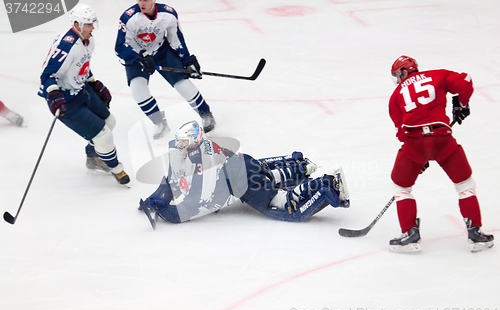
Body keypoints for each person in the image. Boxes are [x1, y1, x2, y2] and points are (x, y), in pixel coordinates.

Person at [139, 121, 350, 229]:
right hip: (245, 164)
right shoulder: (204, 146)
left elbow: (192, 205)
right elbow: (172, 178)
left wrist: (166, 212)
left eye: (183, 141)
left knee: (284, 205)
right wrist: (153, 200)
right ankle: (299, 168)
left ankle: (327, 184)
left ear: (193, 141)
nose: (179, 144)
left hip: (244, 183)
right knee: (266, 175)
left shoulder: (197, 160)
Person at [388, 55, 494, 253]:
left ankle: (410, 235)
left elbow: (401, 132)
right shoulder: (437, 75)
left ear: (405, 70)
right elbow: (466, 81)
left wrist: (418, 158)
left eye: (397, 74)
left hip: (415, 142)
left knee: (401, 187)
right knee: (465, 185)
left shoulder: (396, 95)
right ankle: (476, 235)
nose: (397, 79)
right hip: (442, 138)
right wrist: (460, 103)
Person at [38, 4, 130, 185]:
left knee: (110, 122)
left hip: (81, 90)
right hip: (64, 100)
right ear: (77, 24)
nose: (92, 28)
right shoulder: (66, 46)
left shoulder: (88, 40)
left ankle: (94, 157)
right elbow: (46, 75)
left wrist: (93, 82)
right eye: (89, 24)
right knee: (103, 135)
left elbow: (82, 65)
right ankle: (115, 168)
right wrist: (54, 95)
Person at [115, 0, 216, 139]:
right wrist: (140, 57)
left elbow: (176, 38)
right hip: (137, 56)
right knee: (137, 90)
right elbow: (120, 47)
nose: (141, 3)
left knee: (183, 84)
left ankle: (206, 114)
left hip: (161, 51)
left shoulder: (168, 14)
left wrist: (187, 59)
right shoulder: (128, 18)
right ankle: (159, 123)